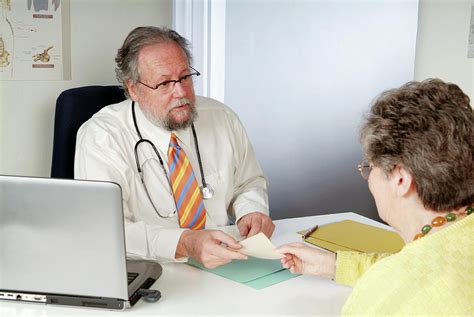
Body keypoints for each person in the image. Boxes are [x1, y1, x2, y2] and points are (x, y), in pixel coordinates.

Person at [75, 26, 274, 269]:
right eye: (164, 84)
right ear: (133, 89)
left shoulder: (222, 118)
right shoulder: (102, 137)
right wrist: (185, 243)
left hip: (226, 262)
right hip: (150, 270)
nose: (181, 92)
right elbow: (106, 230)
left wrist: (251, 211)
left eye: (184, 77)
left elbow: (249, 181)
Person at [278, 79, 473, 315]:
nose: (368, 177)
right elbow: (416, 267)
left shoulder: (387, 292)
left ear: (400, 179)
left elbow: (402, 282)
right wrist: (334, 264)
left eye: (370, 167)